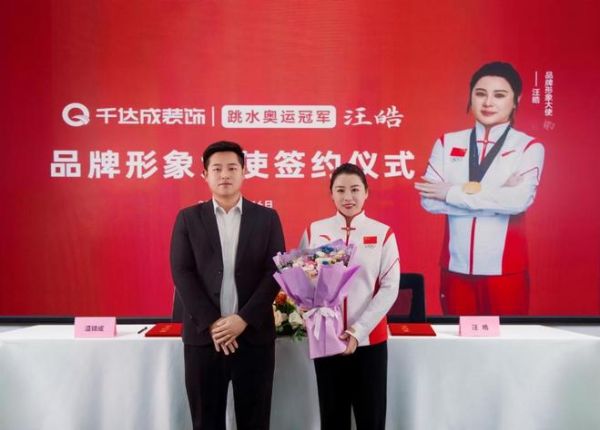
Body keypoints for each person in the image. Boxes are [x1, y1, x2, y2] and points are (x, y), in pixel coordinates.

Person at [170, 141, 285, 430]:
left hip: (253, 337)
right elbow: (182, 273)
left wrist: (243, 319)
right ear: (205, 175)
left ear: (244, 172)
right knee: (206, 422)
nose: (225, 175)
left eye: (232, 168)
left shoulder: (267, 218)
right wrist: (214, 324)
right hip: (204, 340)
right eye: (217, 169)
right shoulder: (188, 219)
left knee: (255, 421)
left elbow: (274, 271)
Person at [414, 61, 545, 315]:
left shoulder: (528, 147)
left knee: (508, 339)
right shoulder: (446, 142)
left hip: (506, 270)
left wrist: (451, 192)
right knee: (457, 337)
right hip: (455, 268)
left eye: (499, 95)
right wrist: (497, 198)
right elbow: (429, 200)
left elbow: (518, 201)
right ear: (471, 96)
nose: (488, 103)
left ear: (516, 100)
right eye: (480, 93)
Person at [299, 163, 400, 430]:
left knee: (371, 419)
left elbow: (390, 287)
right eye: (340, 190)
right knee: (332, 418)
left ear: (366, 192)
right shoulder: (314, 231)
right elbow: (302, 281)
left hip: (369, 341)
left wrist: (358, 331)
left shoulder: (383, 233)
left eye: (355, 189)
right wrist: (307, 308)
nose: (348, 197)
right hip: (327, 342)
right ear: (331, 194)